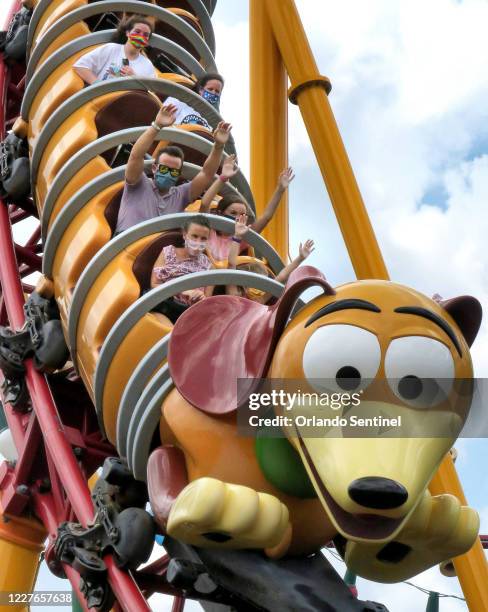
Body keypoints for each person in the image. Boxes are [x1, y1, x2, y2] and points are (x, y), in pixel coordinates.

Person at [114, 104, 232, 234]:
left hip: (158, 250)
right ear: (154, 168)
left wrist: (219, 146)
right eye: (164, 169)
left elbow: (207, 174)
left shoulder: (180, 195)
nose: (168, 174)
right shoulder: (137, 182)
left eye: (173, 171)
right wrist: (157, 126)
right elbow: (136, 156)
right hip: (127, 246)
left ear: (178, 175)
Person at [200, 164, 295, 263]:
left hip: (226, 274)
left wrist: (280, 189)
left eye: (242, 215)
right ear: (220, 213)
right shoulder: (208, 231)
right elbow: (205, 203)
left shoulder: (241, 238)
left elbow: (266, 217)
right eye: (233, 213)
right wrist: (223, 178)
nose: (237, 218)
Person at [226, 214, 315, 304]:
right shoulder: (236, 295)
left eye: (262, 285)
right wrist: (237, 237)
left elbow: (281, 277)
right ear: (245, 284)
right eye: (256, 285)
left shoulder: (259, 300)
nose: (259, 289)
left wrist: (300, 258)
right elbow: (231, 264)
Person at [150, 215, 213, 325]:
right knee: (168, 333)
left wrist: (200, 297)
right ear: (185, 235)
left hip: (190, 314)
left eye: (203, 238)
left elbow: (206, 302)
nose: (198, 241)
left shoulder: (209, 267)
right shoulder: (168, 252)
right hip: (165, 306)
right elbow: (154, 284)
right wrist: (182, 290)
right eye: (194, 236)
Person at [73, 15, 156, 85]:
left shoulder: (147, 65)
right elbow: (80, 66)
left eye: (145, 35)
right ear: (127, 33)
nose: (141, 36)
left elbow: (151, 91)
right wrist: (99, 88)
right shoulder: (111, 48)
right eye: (137, 32)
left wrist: (134, 78)